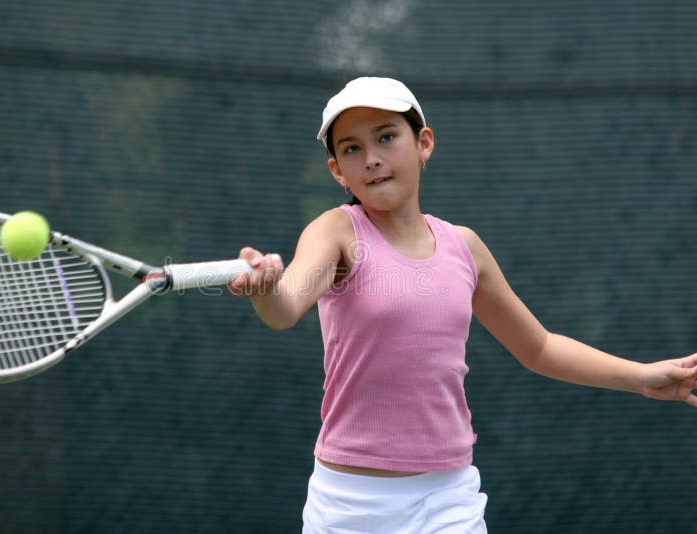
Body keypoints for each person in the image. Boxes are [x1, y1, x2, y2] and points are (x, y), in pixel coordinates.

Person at [228, 77, 697, 533]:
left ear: (423, 143)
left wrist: (641, 377)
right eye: (351, 148)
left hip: (448, 499)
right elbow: (285, 307)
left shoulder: (464, 248)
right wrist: (266, 287)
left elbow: (539, 348)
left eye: (387, 137)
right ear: (337, 170)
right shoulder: (336, 232)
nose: (371, 159)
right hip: (350, 503)